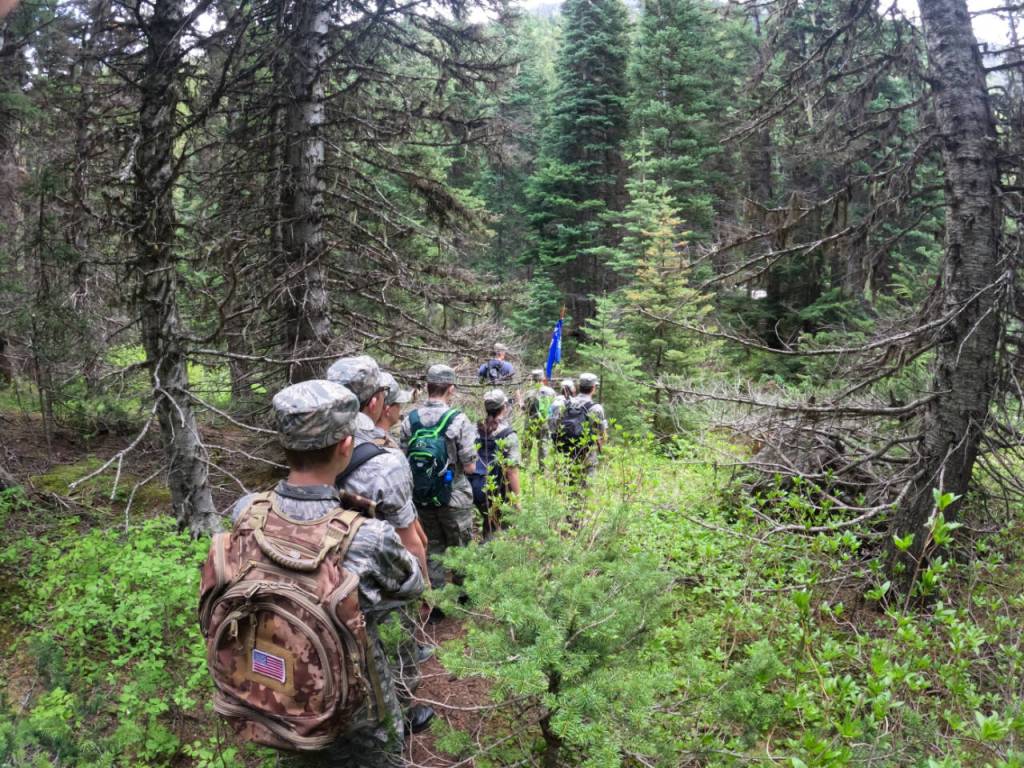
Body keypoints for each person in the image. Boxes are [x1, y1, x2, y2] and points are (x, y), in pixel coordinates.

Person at [228, 380, 425, 767]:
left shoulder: (246, 510)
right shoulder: (367, 536)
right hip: (353, 699)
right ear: (345, 445)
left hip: (271, 686)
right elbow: (412, 583)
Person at [400, 364, 477, 618]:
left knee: (432, 546)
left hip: (421, 495)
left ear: (427, 387)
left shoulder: (410, 420)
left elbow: (402, 460)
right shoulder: (458, 419)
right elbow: (470, 464)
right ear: (451, 389)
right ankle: (464, 596)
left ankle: (438, 605)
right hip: (454, 495)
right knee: (461, 543)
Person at [471, 388, 522, 539]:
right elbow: (512, 471)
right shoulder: (508, 435)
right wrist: (517, 501)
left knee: (489, 522)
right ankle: (492, 555)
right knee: (501, 528)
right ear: (504, 408)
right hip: (498, 490)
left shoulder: (474, 429)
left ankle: (486, 546)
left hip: (476, 487)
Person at [550, 373, 608, 485]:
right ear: (593, 388)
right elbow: (602, 434)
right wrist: (600, 449)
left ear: (578, 387)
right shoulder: (596, 408)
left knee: (570, 483)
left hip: (568, 450)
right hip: (587, 453)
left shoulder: (566, 403)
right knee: (586, 486)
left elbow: (556, 425)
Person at [521, 369, 555, 470]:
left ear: (533, 379)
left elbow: (525, 409)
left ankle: (525, 466)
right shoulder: (551, 392)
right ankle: (543, 468)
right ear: (543, 378)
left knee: (526, 444)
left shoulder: (529, 393)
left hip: (530, 422)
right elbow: (554, 407)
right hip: (545, 422)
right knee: (543, 444)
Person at [372, 371, 414, 451]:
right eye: (398, 404)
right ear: (388, 410)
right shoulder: (388, 449)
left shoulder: (357, 438)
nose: (400, 409)